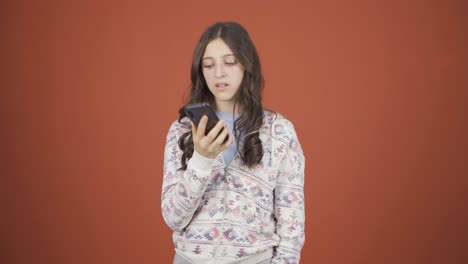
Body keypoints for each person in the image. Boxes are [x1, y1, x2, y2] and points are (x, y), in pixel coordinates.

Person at [161, 21, 305, 264]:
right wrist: (201, 160)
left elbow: (292, 225)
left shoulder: (279, 132)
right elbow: (173, 218)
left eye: (229, 62)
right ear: (201, 71)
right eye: (209, 65)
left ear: (247, 65)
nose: (219, 73)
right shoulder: (183, 131)